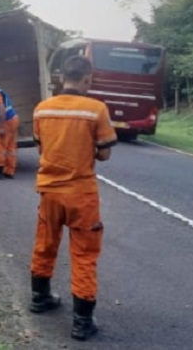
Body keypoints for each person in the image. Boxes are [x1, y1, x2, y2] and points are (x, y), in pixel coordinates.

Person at [29, 55, 117, 341]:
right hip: (81, 194)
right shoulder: (96, 109)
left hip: (50, 191)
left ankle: (39, 298)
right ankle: (82, 322)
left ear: (60, 77)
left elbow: (43, 149)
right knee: (84, 254)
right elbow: (104, 154)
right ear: (87, 79)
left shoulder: (42, 109)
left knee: (45, 243)